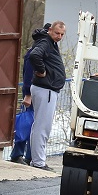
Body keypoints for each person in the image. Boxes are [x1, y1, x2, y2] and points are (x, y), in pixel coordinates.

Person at [22, 20, 66, 170]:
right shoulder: (45, 42)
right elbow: (34, 56)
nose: (59, 36)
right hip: (45, 89)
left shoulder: (49, 43)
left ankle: (36, 160)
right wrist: (41, 71)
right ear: (50, 30)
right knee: (42, 127)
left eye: (62, 34)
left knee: (39, 126)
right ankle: (38, 162)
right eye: (57, 33)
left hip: (46, 89)